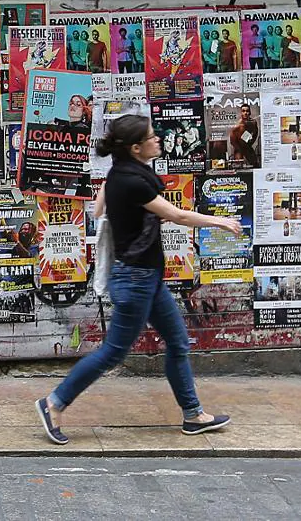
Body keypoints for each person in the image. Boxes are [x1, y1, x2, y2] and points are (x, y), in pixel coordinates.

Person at [34, 114, 241, 444]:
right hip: (135, 281)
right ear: (135, 147)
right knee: (113, 353)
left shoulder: (122, 174)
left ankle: (193, 415)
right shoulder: (130, 181)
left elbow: (99, 208)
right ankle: (53, 403)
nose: (157, 139)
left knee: (177, 343)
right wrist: (222, 223)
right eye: (150, 136)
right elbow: (177, 215)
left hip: (147, 278)